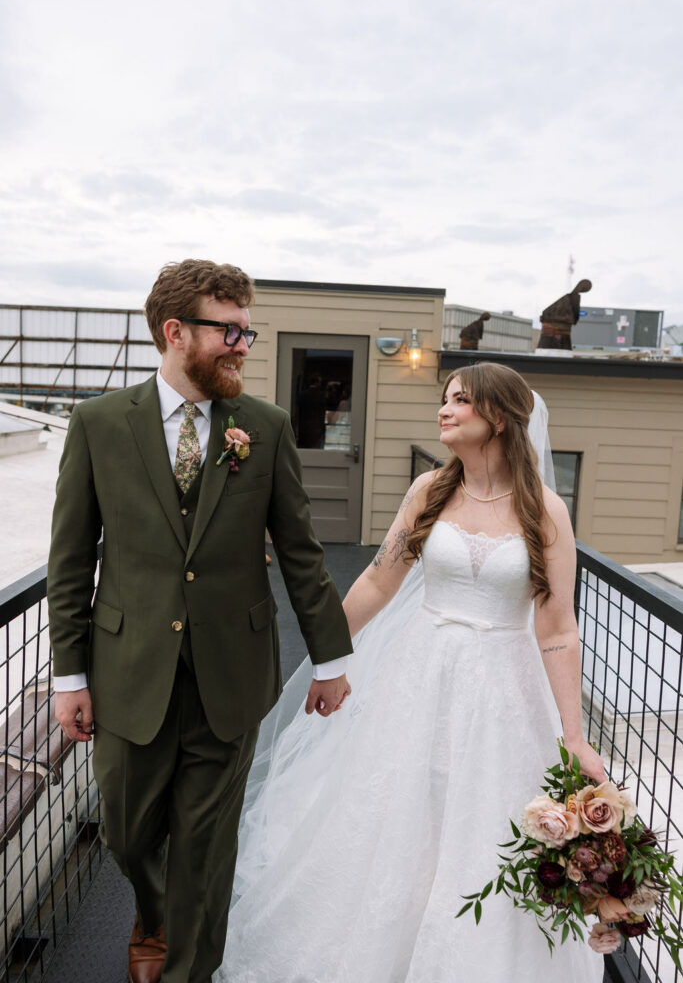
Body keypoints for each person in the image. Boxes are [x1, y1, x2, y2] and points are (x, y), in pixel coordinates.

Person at [218, 361, 607, 983]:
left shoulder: (547, 512)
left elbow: (557, 627)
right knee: (396, 812)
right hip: (416, 674)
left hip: (505, 690)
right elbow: (378, 579)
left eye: (461, 401)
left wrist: (575, 736)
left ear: (499, 418)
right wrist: (329, 655)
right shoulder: (428, 491)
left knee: (486, 826)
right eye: (444, 398)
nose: (444, 410)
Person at [47, 259, 353, 983]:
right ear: (175, 331)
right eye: (230, 330)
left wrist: (331, 662)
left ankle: (186, 966)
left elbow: (303, 555)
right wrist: (70, 675)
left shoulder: (265, 428)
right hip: (128, 672)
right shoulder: (96, 425)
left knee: (206, 848)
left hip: (232, 672)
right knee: (126, 835)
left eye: (248, 330)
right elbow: (68, 562)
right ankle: (153, 914)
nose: (243, 345)